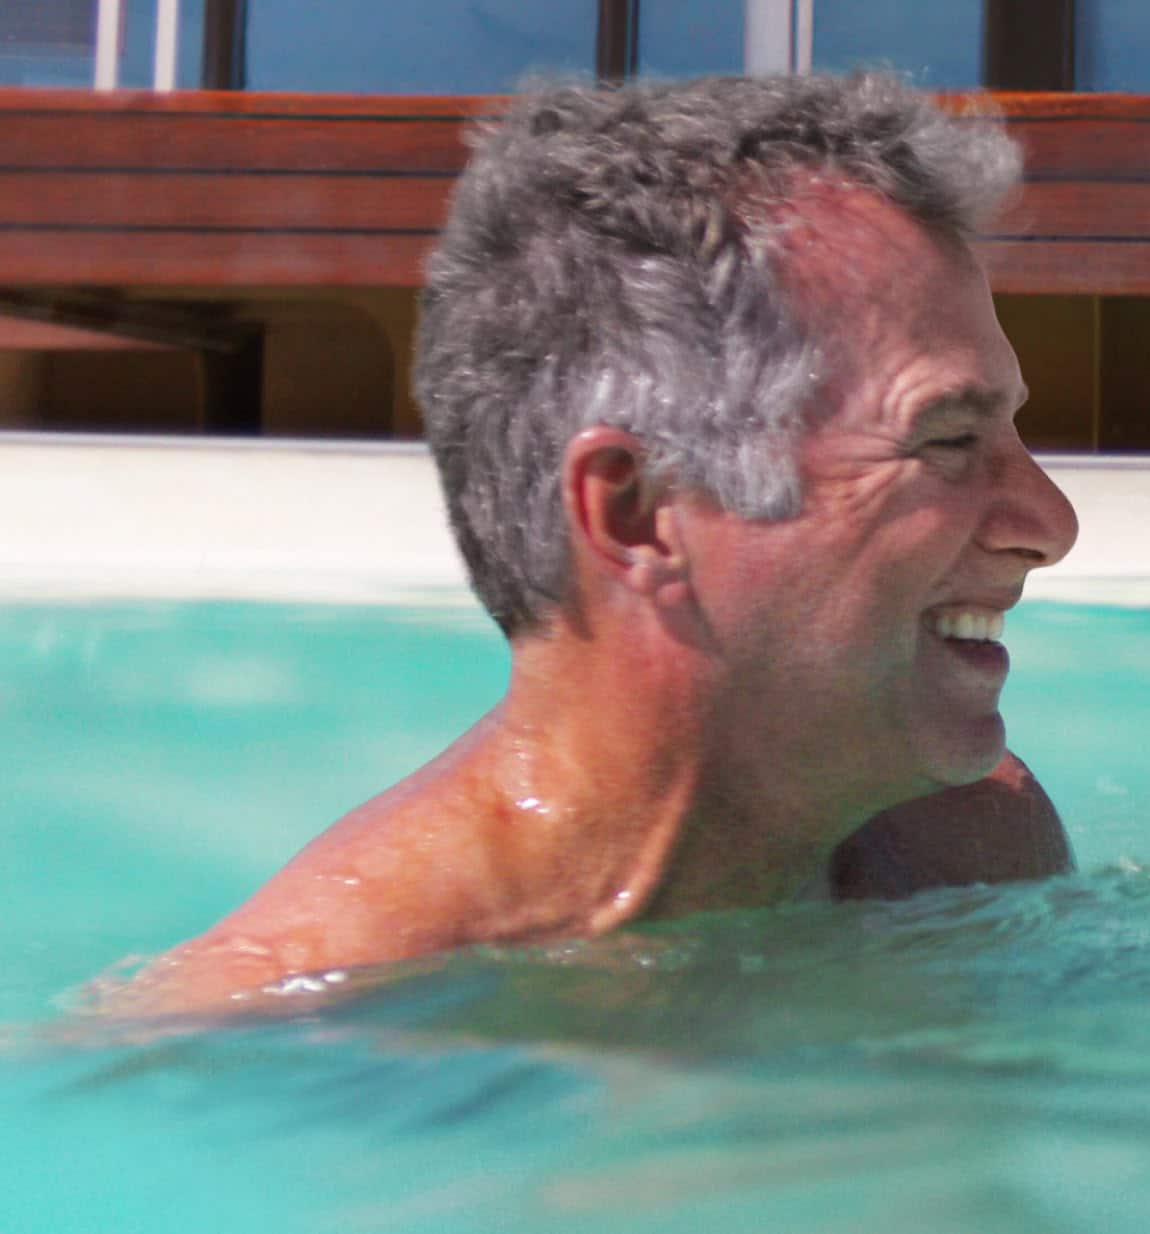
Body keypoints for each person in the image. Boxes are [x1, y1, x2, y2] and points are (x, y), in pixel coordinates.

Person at [111, 73, 1079, 1013]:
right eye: (949, 440)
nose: (1050, 524)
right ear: (636, 514)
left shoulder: (964, 850)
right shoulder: (300, 1023)